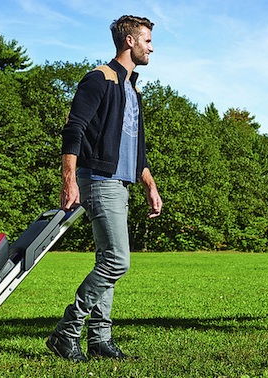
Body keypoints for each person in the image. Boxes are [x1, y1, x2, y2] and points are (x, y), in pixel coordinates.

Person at [46, 15, 162, 362]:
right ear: (130, 41)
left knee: (107, 260)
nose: (151, 47)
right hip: (99, 179)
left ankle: (100, 340)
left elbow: (135, 149)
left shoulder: (132, 89)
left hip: (122, 183)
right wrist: (69, 180)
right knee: (117, 261)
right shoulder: (99, 79)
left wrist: (150, 187)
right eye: (147, 40)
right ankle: (67, 332)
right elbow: (73, 129)